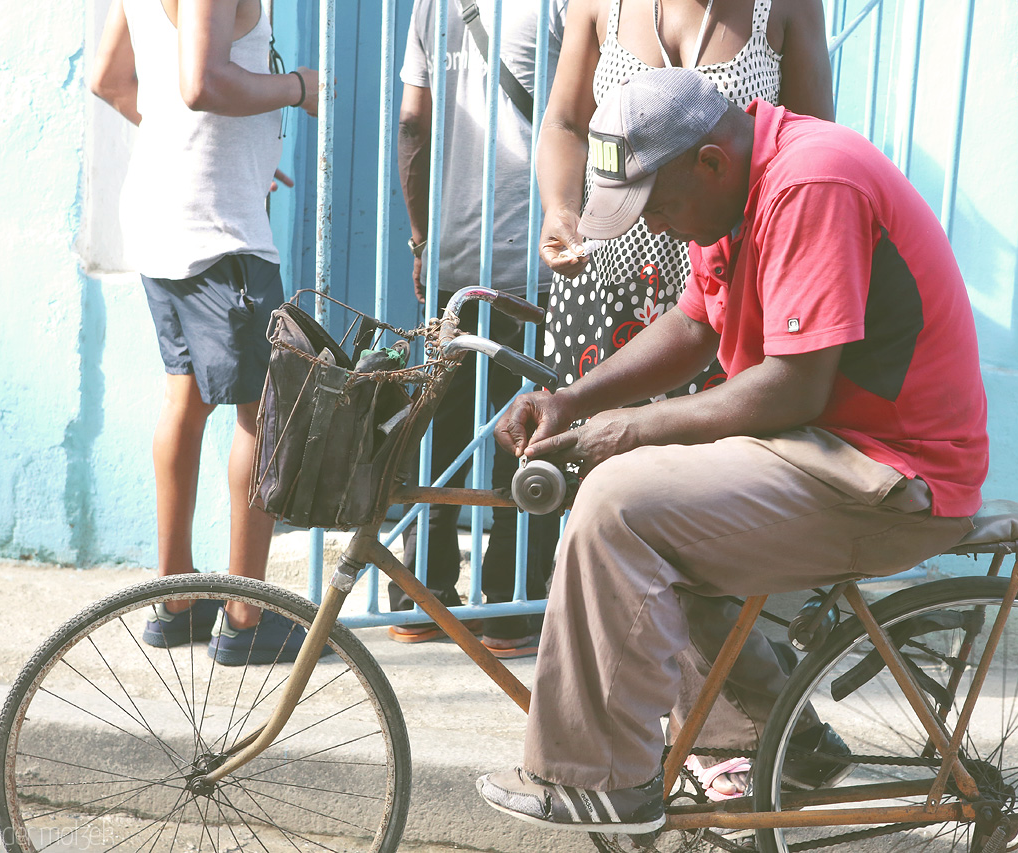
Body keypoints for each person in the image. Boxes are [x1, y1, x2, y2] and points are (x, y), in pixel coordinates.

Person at [475, 67, 988, 833]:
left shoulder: (813, 183)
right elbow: (692, 327)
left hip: (888, 474)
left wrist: (631, 427)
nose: (658, 227)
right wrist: (573, 399)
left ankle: (602, 779)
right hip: (822, 452)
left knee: (618, 504)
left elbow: (791, 390)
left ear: (710, 162)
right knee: (645, 502)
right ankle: (780, 738)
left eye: (661, 204)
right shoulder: (737, 189)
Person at [90, 0, 320, 665]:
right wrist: (303, 88)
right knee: (263, 409)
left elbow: (111, 78)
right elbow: (202, 83)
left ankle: (177, 602)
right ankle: (247, 616)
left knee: (184, 397)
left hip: (166, 210)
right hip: (216, 229)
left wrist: (208, 152)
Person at [536, 0, 834, 394]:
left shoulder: (786, 7)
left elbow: (807, 146)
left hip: (727, 286)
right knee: (586, 428)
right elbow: (566, 123)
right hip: (605, 276)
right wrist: (560, 209)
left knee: (707, 437)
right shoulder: (599, 5)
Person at [392, 0, 568, 657]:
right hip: (538, 256)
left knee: (438, 423)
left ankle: (419, 596)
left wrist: (420, 237)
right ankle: (508, 606)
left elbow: (414, 123)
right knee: (529, 428)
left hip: (452, 257)